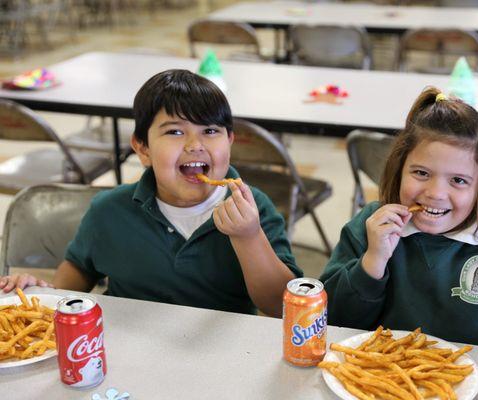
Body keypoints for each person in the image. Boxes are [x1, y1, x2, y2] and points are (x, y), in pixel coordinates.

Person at [0, 69, 302, 317]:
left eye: (210, 131)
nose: (194, 144)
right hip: (124, 351)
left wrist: (248, 236)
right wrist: (41, 294)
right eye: (174, 131)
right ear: (142, 148)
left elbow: (282, 308)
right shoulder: (108, 211)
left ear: (230, 141)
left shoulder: (254, 209)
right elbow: (77, 272)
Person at [320, 87, 478, 347]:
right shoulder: (370, 227)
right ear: (399, 169)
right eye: (421, 173)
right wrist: (372, 262)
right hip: (376, 382)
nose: (435, 193)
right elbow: (328, 323)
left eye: (458, 180)